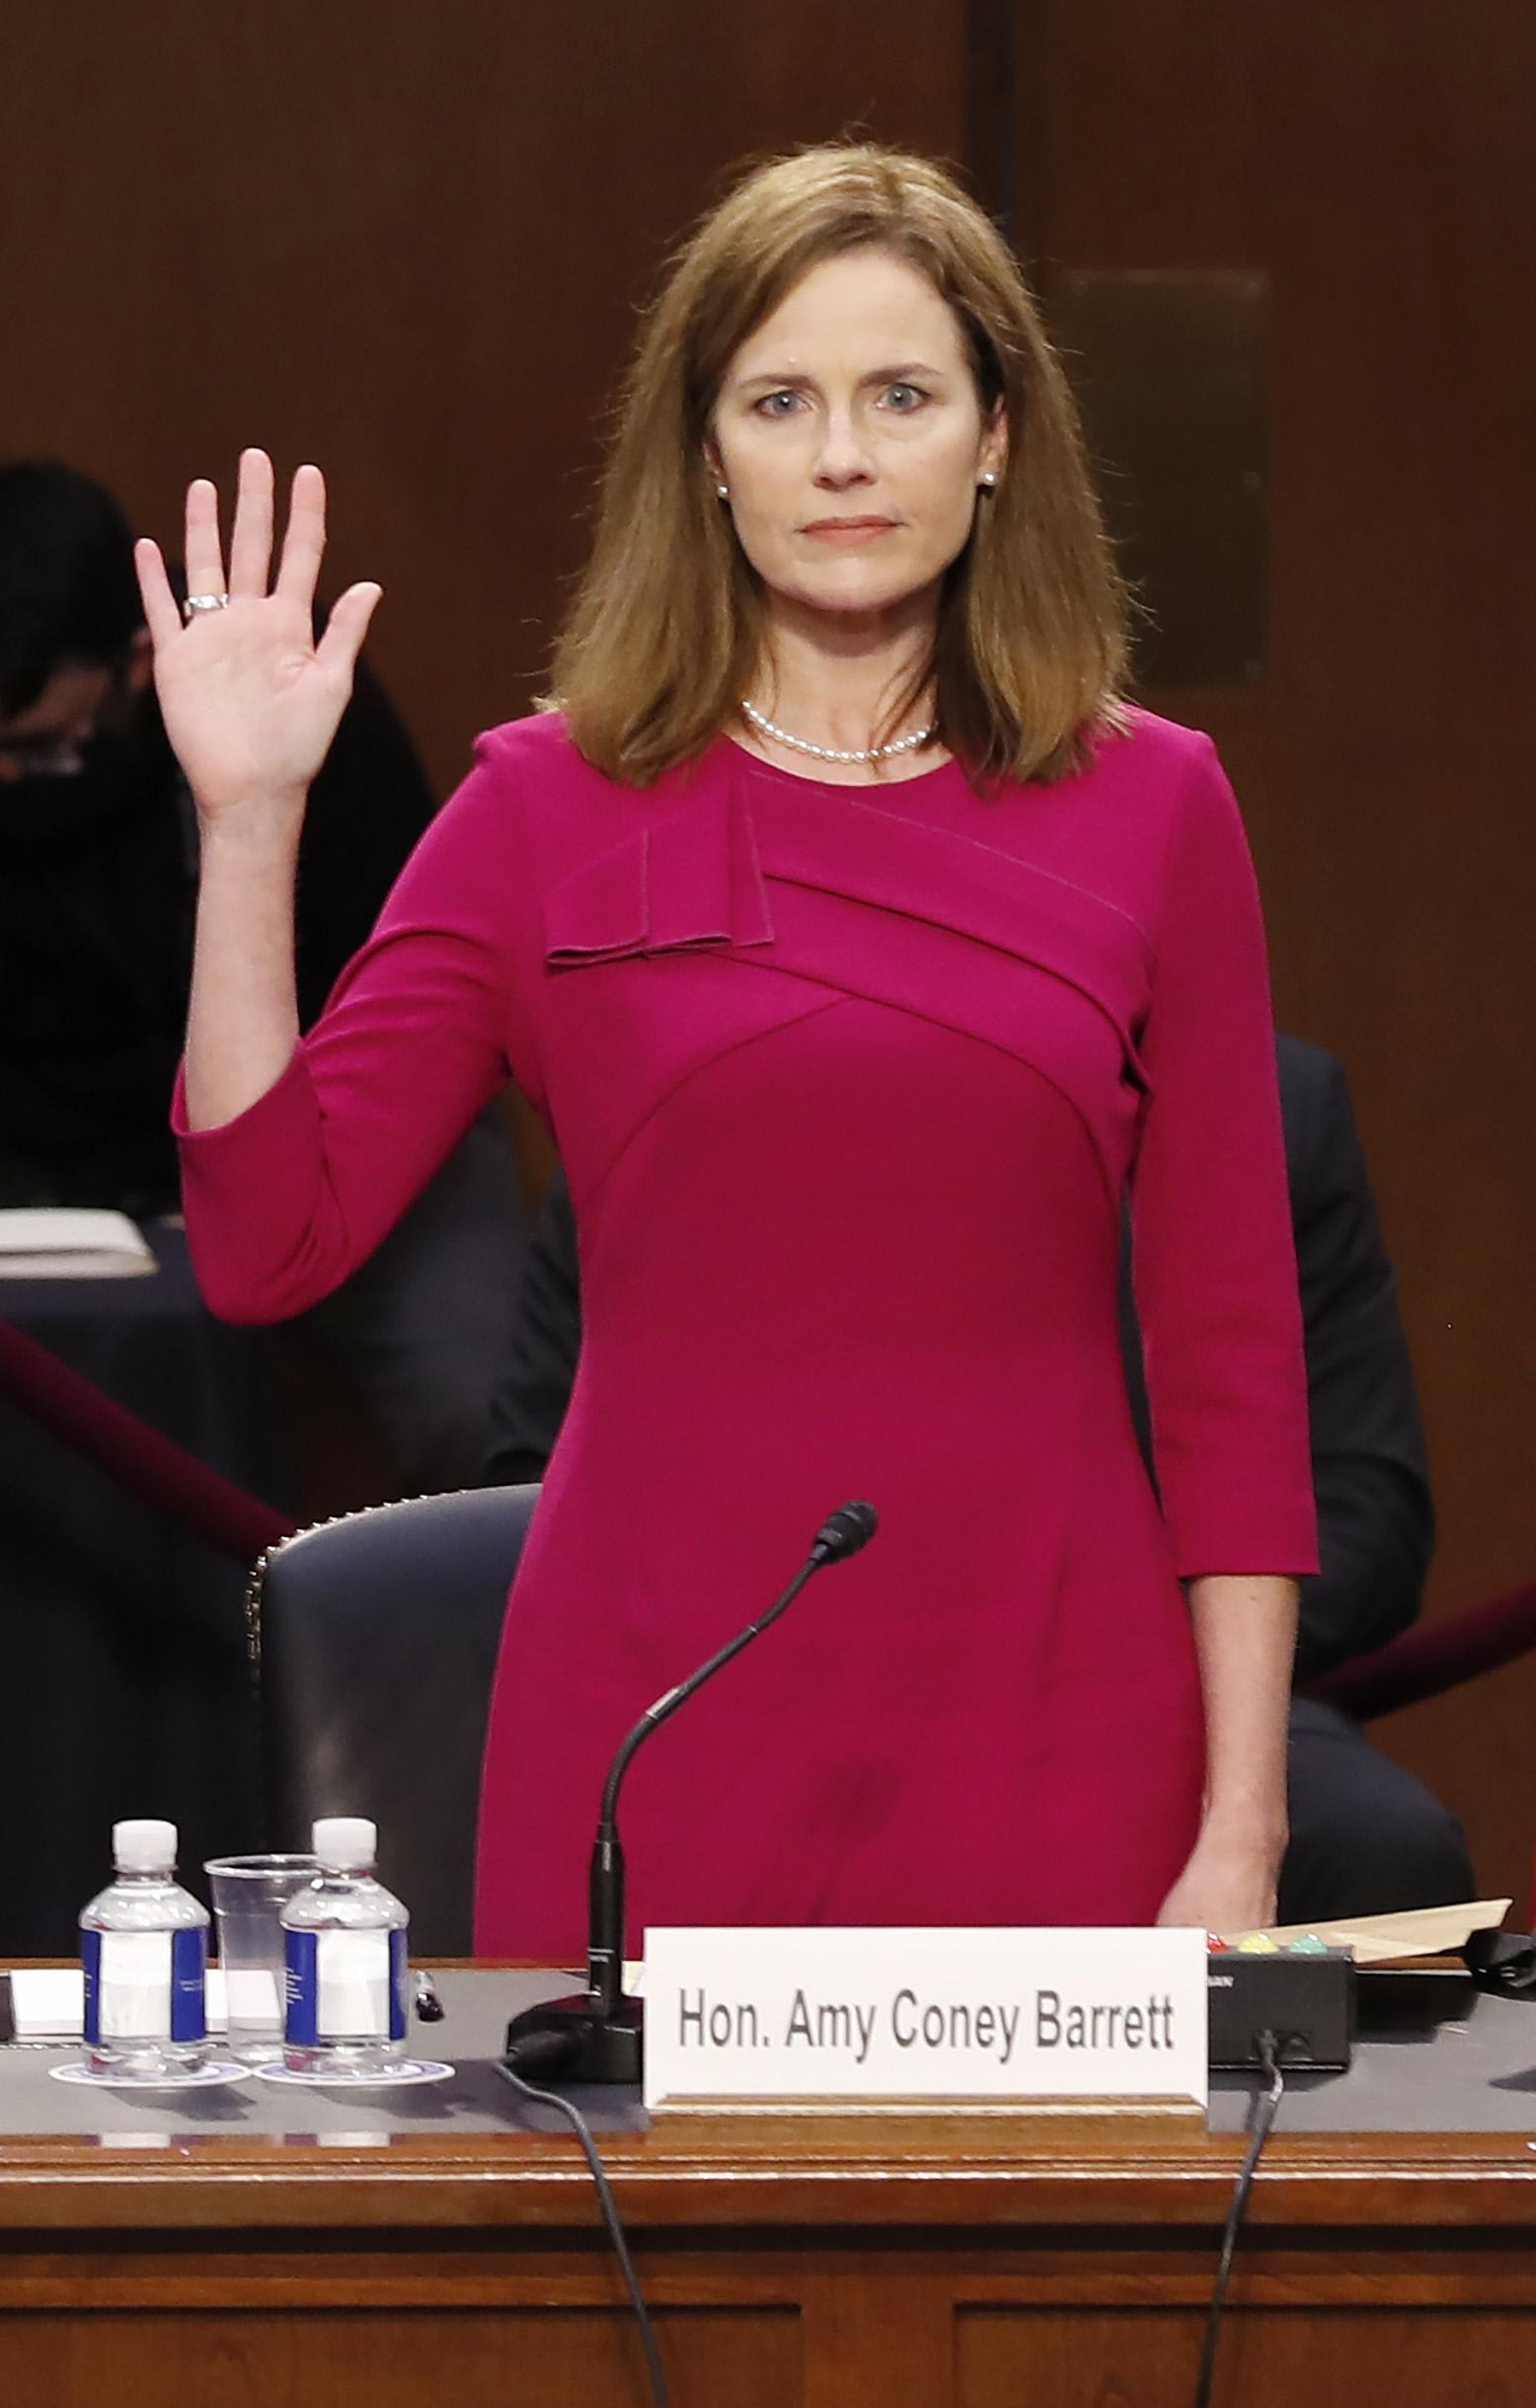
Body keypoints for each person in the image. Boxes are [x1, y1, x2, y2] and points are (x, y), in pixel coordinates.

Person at [159, 144, 1317, 1950]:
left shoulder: (1158, 806)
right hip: (652, 1733)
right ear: (706, 454)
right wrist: (247, 830)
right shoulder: (544, 805)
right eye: (780, 402)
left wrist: (1241, 1831)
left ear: (998, 434)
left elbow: (1237, 1360)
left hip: (1061, 1732)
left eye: (901, 397)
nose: (842, 457)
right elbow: (263, 1240)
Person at [479, 1029, 1470, 1919]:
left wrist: (1106, 1651)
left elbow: (1366, 1507)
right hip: (754, 1686)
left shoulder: (1276, 1107)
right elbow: (527, 1486)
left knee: (1387, 1846)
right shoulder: (673, 1096)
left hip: (1139, 1696)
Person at [0, 459, 524, 1489]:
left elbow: (402, 988)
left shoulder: (282, 695)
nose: (3, 783)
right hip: (65, 1156)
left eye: (40, 750)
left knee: (476, 1405)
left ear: (136, 662)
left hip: (353, 1110)